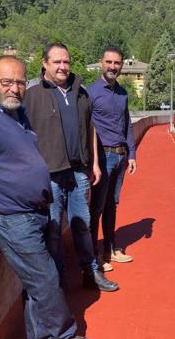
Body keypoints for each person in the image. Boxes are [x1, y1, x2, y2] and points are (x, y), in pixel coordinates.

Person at [0, 55, 98, 339]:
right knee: (45, 277)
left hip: (37, 212)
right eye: (7, 82)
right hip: (12, 217)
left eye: (20, 82)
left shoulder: (16, 115)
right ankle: (63, 336)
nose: (15, 89)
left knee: (38, 282)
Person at [23, 43, 119, 292]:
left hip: (78, 172)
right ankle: (58, 280)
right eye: (57, 62)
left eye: (66, 62)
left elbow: (91, 129)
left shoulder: (81, 91)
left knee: (82, 225)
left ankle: (91, 272)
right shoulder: (32, 93)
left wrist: (95, 163)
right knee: (53, 231)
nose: (63, 66)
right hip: (49, 174)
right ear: (44, 63)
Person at [87, 45, 137, 271]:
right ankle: (94, 256)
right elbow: (86, 129)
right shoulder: (90, 93)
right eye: (109, 62)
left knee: (112, 205)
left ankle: (111, 248)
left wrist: (132, 154)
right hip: (103, 156)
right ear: (101, 62)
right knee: (96, 207)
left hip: (120, 157)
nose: (113, 67)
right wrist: (93, 161)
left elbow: (127, 125)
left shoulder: (123, 93)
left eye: (117, 63)